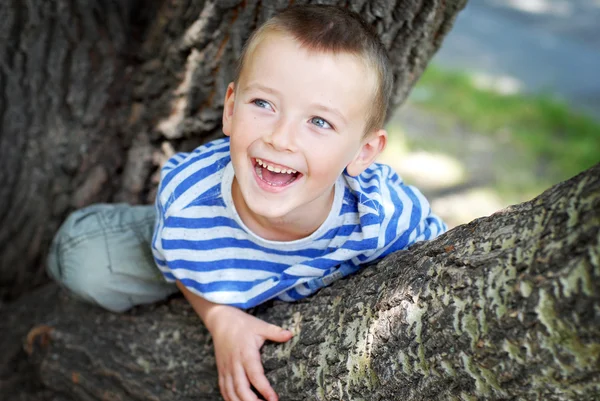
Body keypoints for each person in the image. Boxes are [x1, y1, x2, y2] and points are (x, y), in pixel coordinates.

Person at [47, 4, 446, 401]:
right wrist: (219, 317)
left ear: (363, 152)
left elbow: (441, 259)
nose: (281, 138)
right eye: (264, 105)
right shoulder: (190, 203)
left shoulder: (381, 216)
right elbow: (181, 255)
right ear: (231, 109)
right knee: (83, 261)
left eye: (319, 122)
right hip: (204, 230)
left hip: (273, 269)